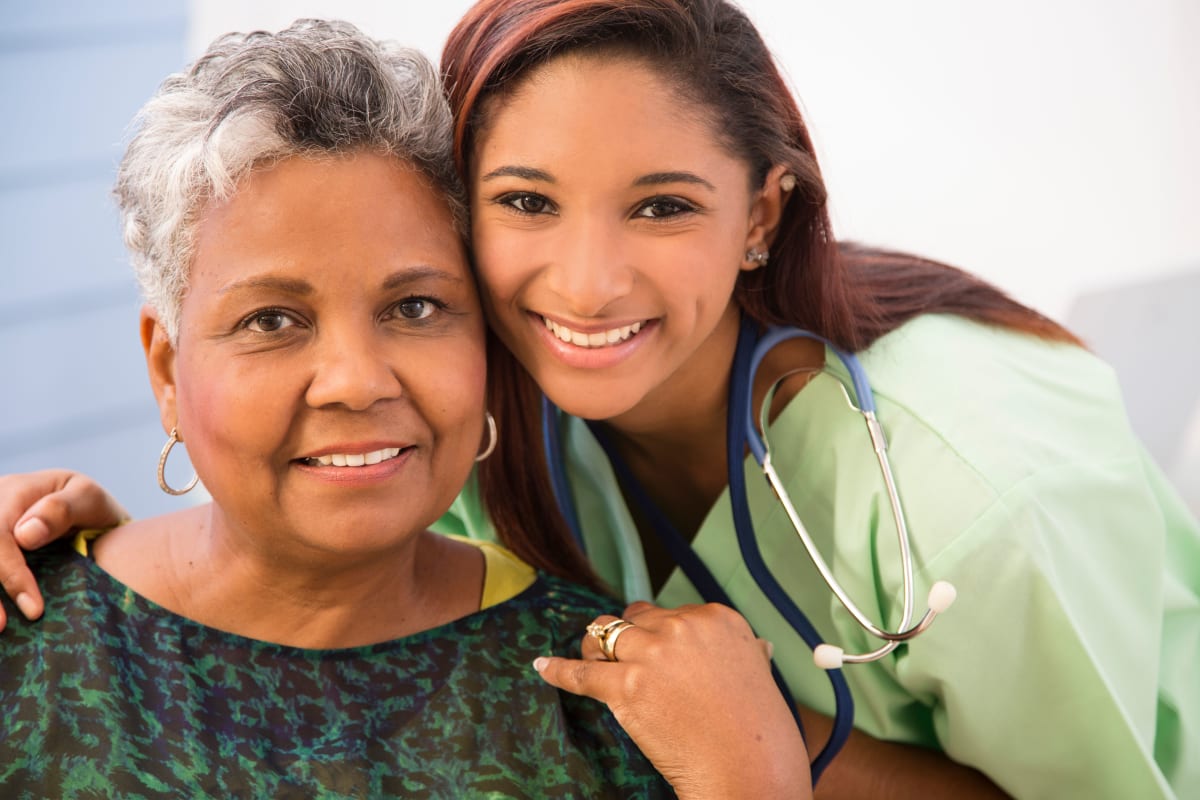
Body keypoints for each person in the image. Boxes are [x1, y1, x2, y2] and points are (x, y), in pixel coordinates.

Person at [3, 1, 1197, 797]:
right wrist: (109, 569)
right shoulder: (521, 418)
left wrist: (756, 771)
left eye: (663, 204)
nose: (582, 281)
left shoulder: (986, 498)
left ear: (762, 217)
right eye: (526, 201)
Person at [0, 19, 783, 798]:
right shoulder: (23, 640)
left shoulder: (610, 705)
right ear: (167, 370)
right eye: (272, 320)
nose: (355, 381)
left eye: (413, 307)